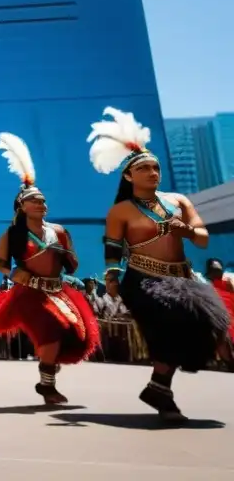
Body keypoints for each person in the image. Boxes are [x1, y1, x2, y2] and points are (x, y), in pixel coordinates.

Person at [90, 107, 231, 420]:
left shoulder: (179, 201)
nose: (153, 173)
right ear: (128, 176)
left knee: (215, 322)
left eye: (156, 167)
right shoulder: (121, 211)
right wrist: (112, 277)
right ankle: (162, 393)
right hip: (143, 280)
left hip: (185, 277)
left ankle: (158, 387)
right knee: (170, 325)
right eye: (145, 169)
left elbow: (203, 239)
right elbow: (113, 247)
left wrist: (187, 230)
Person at [0, 132, 99, 405]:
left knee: (75, 332)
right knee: (51, 327)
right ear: (22, 206)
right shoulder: (13, 235)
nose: (41, 204)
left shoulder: (59, 231)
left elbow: (73, 263)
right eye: (35, 200)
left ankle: (50, 363)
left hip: (58, 290)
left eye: (43, 200)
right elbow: (0, 263)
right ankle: (47, 385)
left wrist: (66, 254)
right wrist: (15, 274)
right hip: (29, 293)